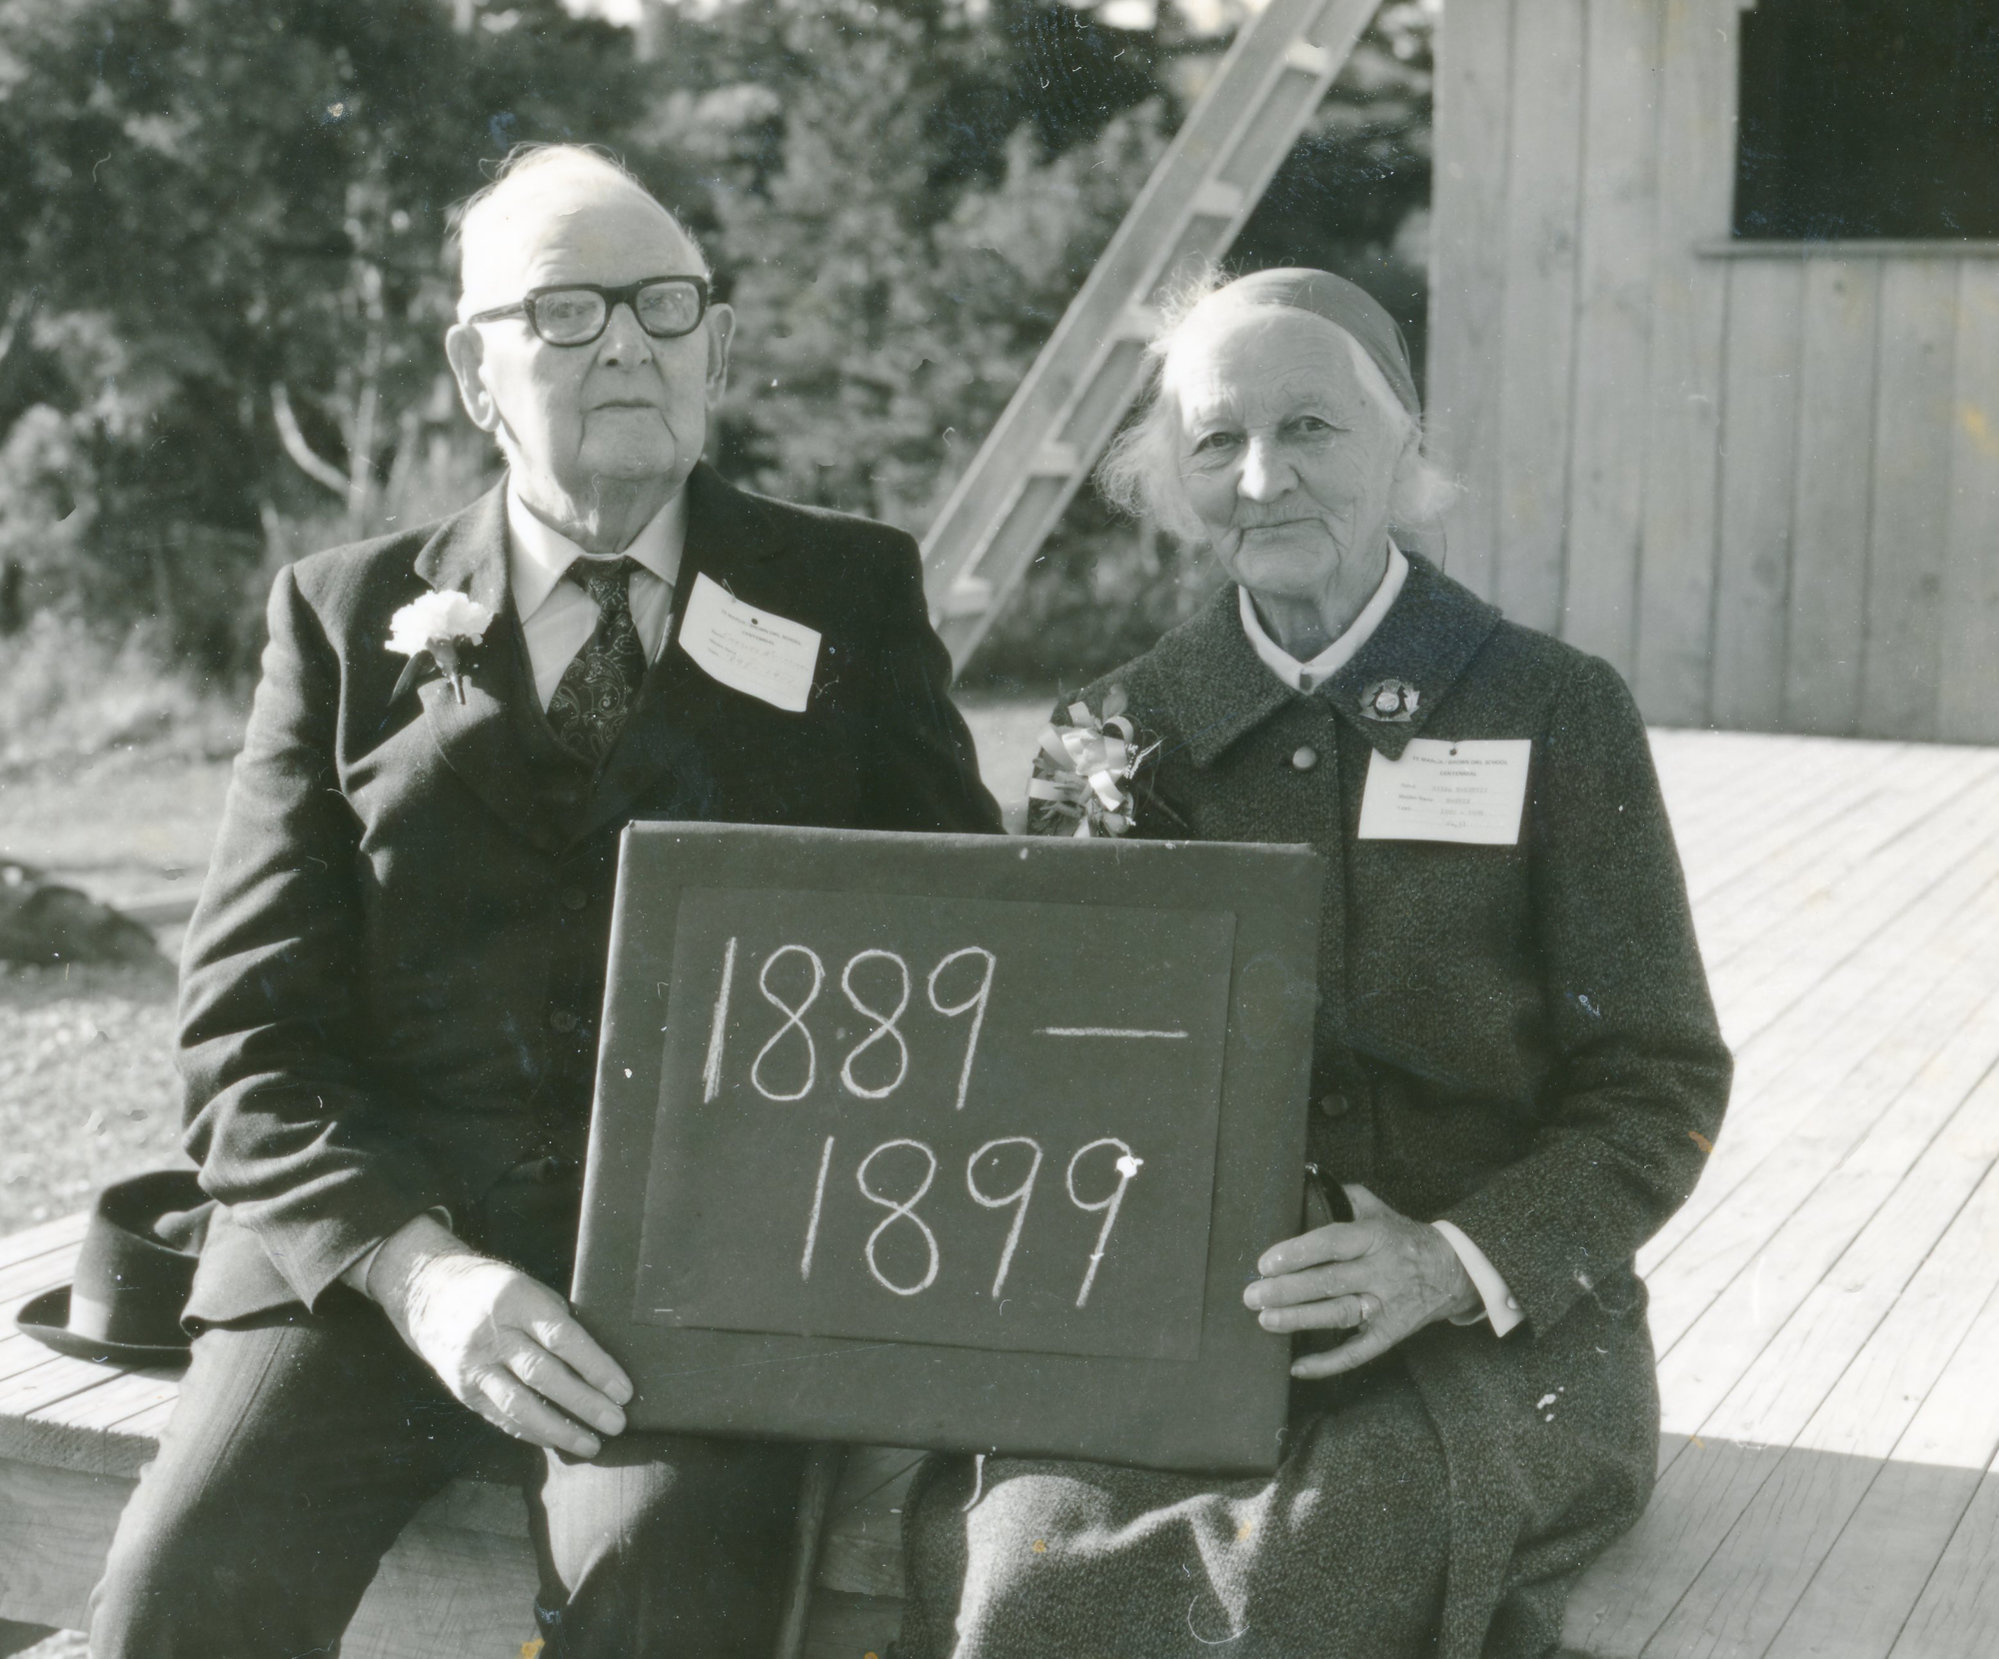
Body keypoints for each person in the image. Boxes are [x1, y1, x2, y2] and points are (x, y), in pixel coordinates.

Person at [90, 144, 1000, 1659]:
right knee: (175, 1605)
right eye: (568, 312)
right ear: (474, 368)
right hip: (368, 1271)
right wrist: (421, 1274)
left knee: (670, 1595)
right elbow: (241, 1037)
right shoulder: (339, 617)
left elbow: (960, 951)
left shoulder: (848, 593)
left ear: (719, 343)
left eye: (664, 304)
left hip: (695, 1280)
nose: (630, 341)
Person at [897, 268, 1732, 1658]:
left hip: (1488, 1337)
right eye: (1216, 441)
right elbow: (1046, 1080)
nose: (1262, 477)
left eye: (1313, 430)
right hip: (1167, 1316)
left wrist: (1450, 1261)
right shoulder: (1116, 731)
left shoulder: (1553, 710)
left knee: (1302, 1569)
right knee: (1031, 1567)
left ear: (1407, 444)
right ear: (1172, 475)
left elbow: (1659, 1083)